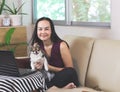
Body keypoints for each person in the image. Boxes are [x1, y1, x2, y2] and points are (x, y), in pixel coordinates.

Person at [30, 17, 80, 89]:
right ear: (36, 31)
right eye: (40, 29)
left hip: (63, 78)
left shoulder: (61, 45)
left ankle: (47, 88)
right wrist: (36, 66)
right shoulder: (37, 45)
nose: (43, 32)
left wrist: (48, 67)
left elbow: (69, 69)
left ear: (51, 30)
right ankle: (58, 89)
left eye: (46, 29)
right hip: (47, 77)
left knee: (70, 72)